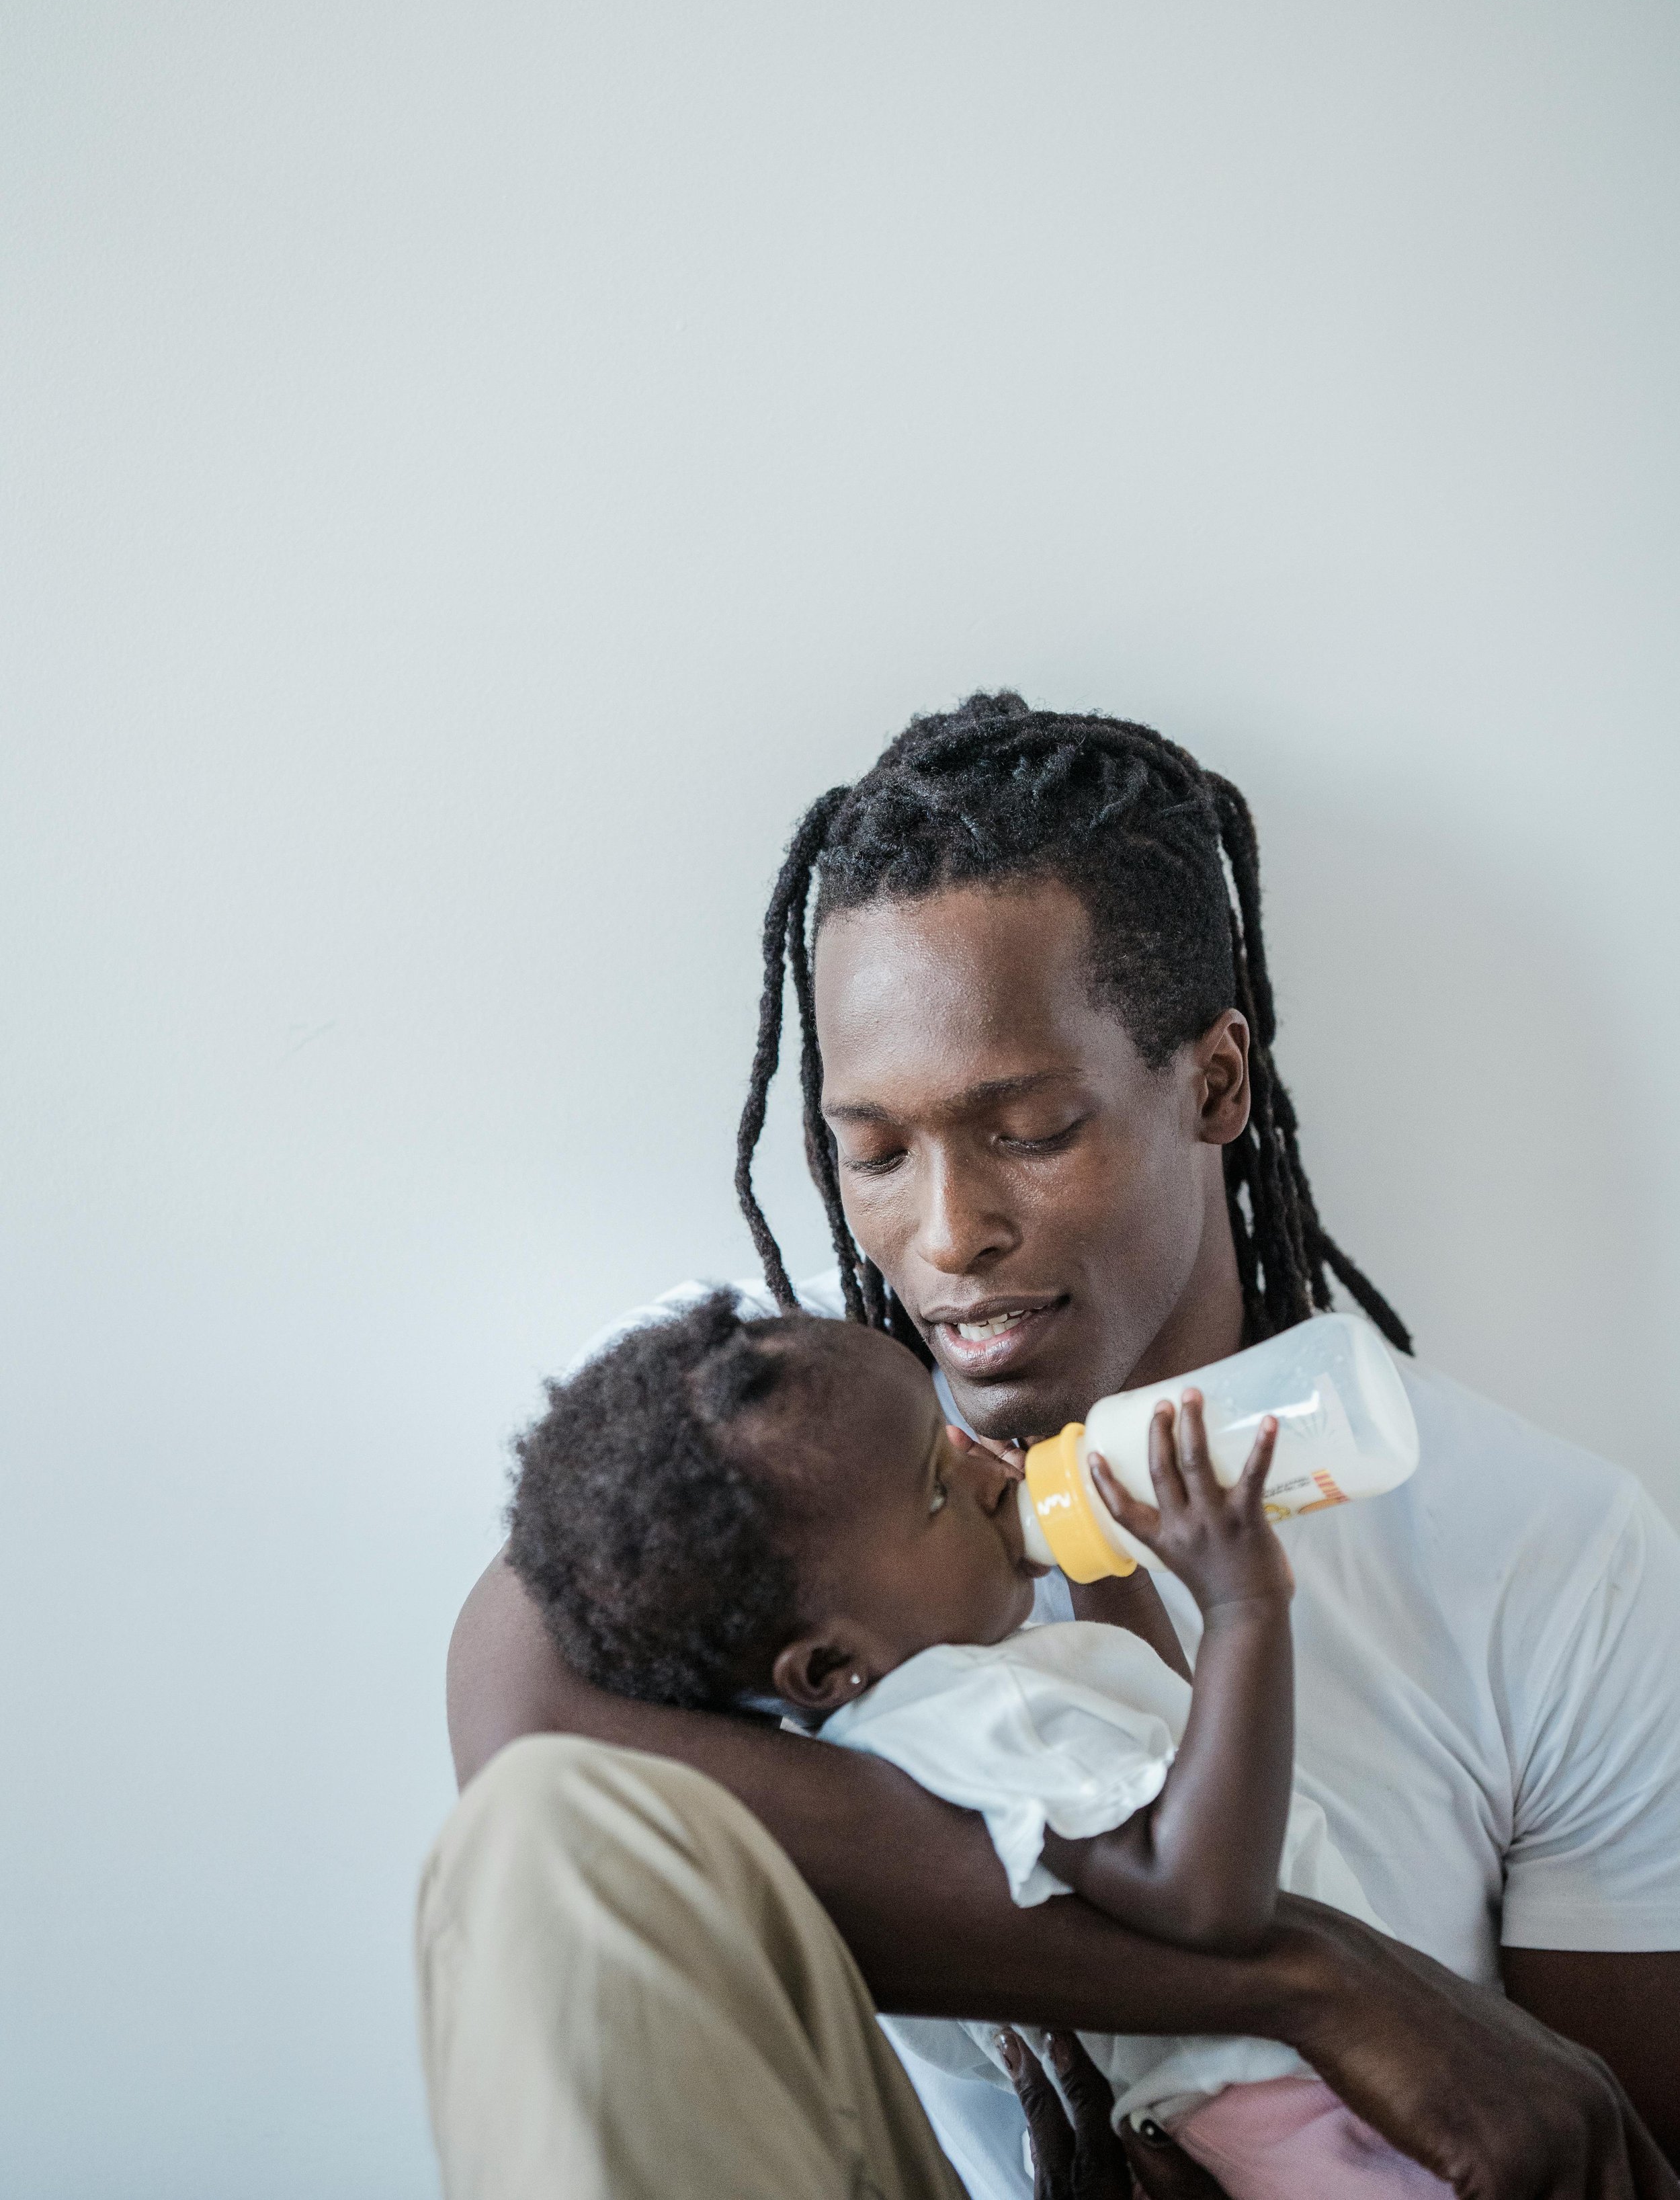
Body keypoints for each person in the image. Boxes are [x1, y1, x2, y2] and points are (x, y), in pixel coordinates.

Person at [438, 692, 1680, 2197]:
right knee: (551, 1842)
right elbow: (530, 1752)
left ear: (1213, 1081)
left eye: (1028, 1129)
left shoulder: (1546, 1548)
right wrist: (1315, 1982)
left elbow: (1599, 2140)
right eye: (876, 1152)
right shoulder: (745, 1451)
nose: (947, 1235)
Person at [505, 1283, 1455, 2197]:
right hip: (1289, 2117)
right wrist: (1245, 1604)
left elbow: (1147, 1749)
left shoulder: (970, 1681)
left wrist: (1102, 1538)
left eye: (945, 1432)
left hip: (1304, 2089)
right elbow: (1205, 1898)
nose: (982, 1466)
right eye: (932, 1489)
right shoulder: (955, 1724)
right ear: (831, 1668)